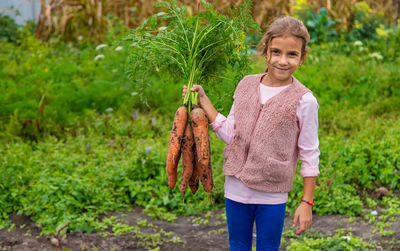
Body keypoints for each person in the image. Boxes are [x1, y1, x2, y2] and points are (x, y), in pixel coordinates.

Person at [182, 16, 320, 251]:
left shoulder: (304, 100)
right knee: (237, 246)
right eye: (276, 52)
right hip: (235, 189)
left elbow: (309, 153)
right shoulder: (246, 85)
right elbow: (232, 134)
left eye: (292, 54)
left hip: (271, 194)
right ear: (265, 51)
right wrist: (203, 100)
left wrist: (306, 202)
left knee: (268, 247)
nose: (282, 61)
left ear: (302, 57)